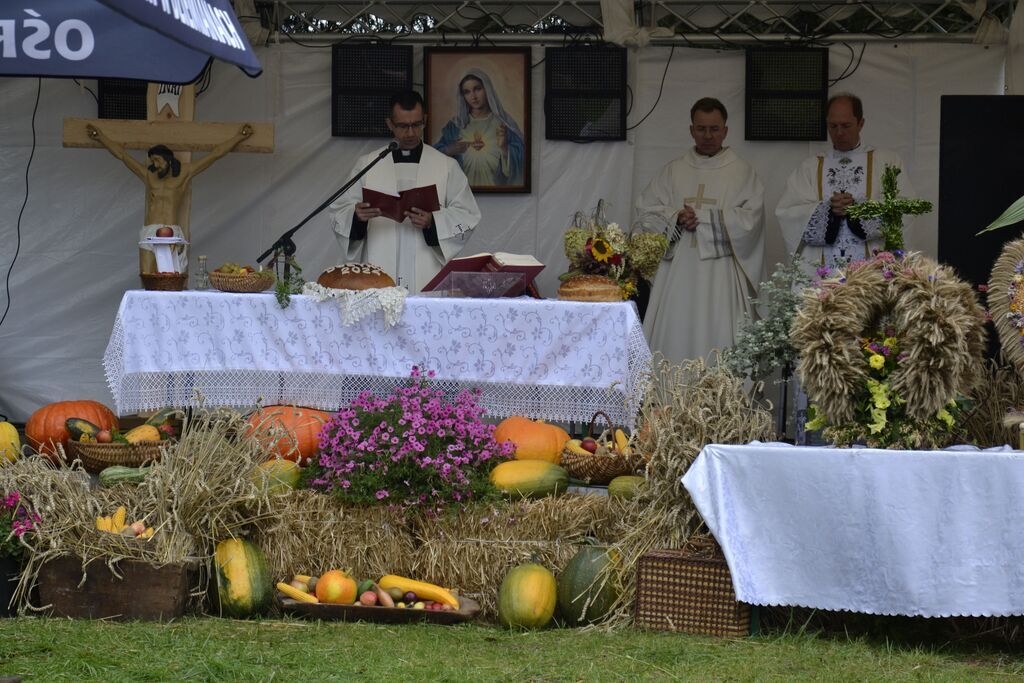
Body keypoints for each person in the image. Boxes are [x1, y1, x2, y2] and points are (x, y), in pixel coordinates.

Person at [637, 97, 765, 365]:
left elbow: (751, 220)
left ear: (726, 131)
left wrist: (705, 219)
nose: (708, 135)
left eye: (714, 129)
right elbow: (646, 211)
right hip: (679, 272)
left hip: (721, 274)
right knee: (676, 329)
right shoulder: (674, 170)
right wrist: (675, 217)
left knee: (720, 334)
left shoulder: (741, 172)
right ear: (691, 129)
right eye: (701, 128)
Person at [331, 91, 481, 291]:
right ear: (389, 124)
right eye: (403, 126)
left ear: (425, 120)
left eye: (416, 125)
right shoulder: (368, 165)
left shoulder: (446, 166)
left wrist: (432, 222)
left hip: (428, 268)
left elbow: (468, 214)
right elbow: (340, 210)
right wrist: (357, 217)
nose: (410, 133)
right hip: (379, 270)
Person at [87, 122, 253, 274]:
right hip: (150, 231)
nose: (155, 164)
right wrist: (100, 137)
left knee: (174, 278)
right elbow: (122, 155)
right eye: (153, 161)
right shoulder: (148, 175)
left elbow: (214, 155)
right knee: (146, 275)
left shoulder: (184, 174)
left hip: (172, 232)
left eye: (157, 160)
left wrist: (240, 136)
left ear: (168, 159)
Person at [776, 93, 911, 271]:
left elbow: (905, 209)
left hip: (872, 270)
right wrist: (826, 211)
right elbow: (788, 213)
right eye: (833, 126)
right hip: (821, 271)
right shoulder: (810, 167)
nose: (839, 133)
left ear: (861, 123)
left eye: (846, 125)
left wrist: (861, 212)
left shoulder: (887, 163)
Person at [433, 70, 525, 187]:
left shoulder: (504, 124)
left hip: (498, 195)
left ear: (487, 89)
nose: (473, 96)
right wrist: (448, 150)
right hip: (462, 194)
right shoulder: (456, 125)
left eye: (477, 89)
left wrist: (505, 148)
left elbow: (522, 159)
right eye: (467, 92)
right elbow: (433, 155)